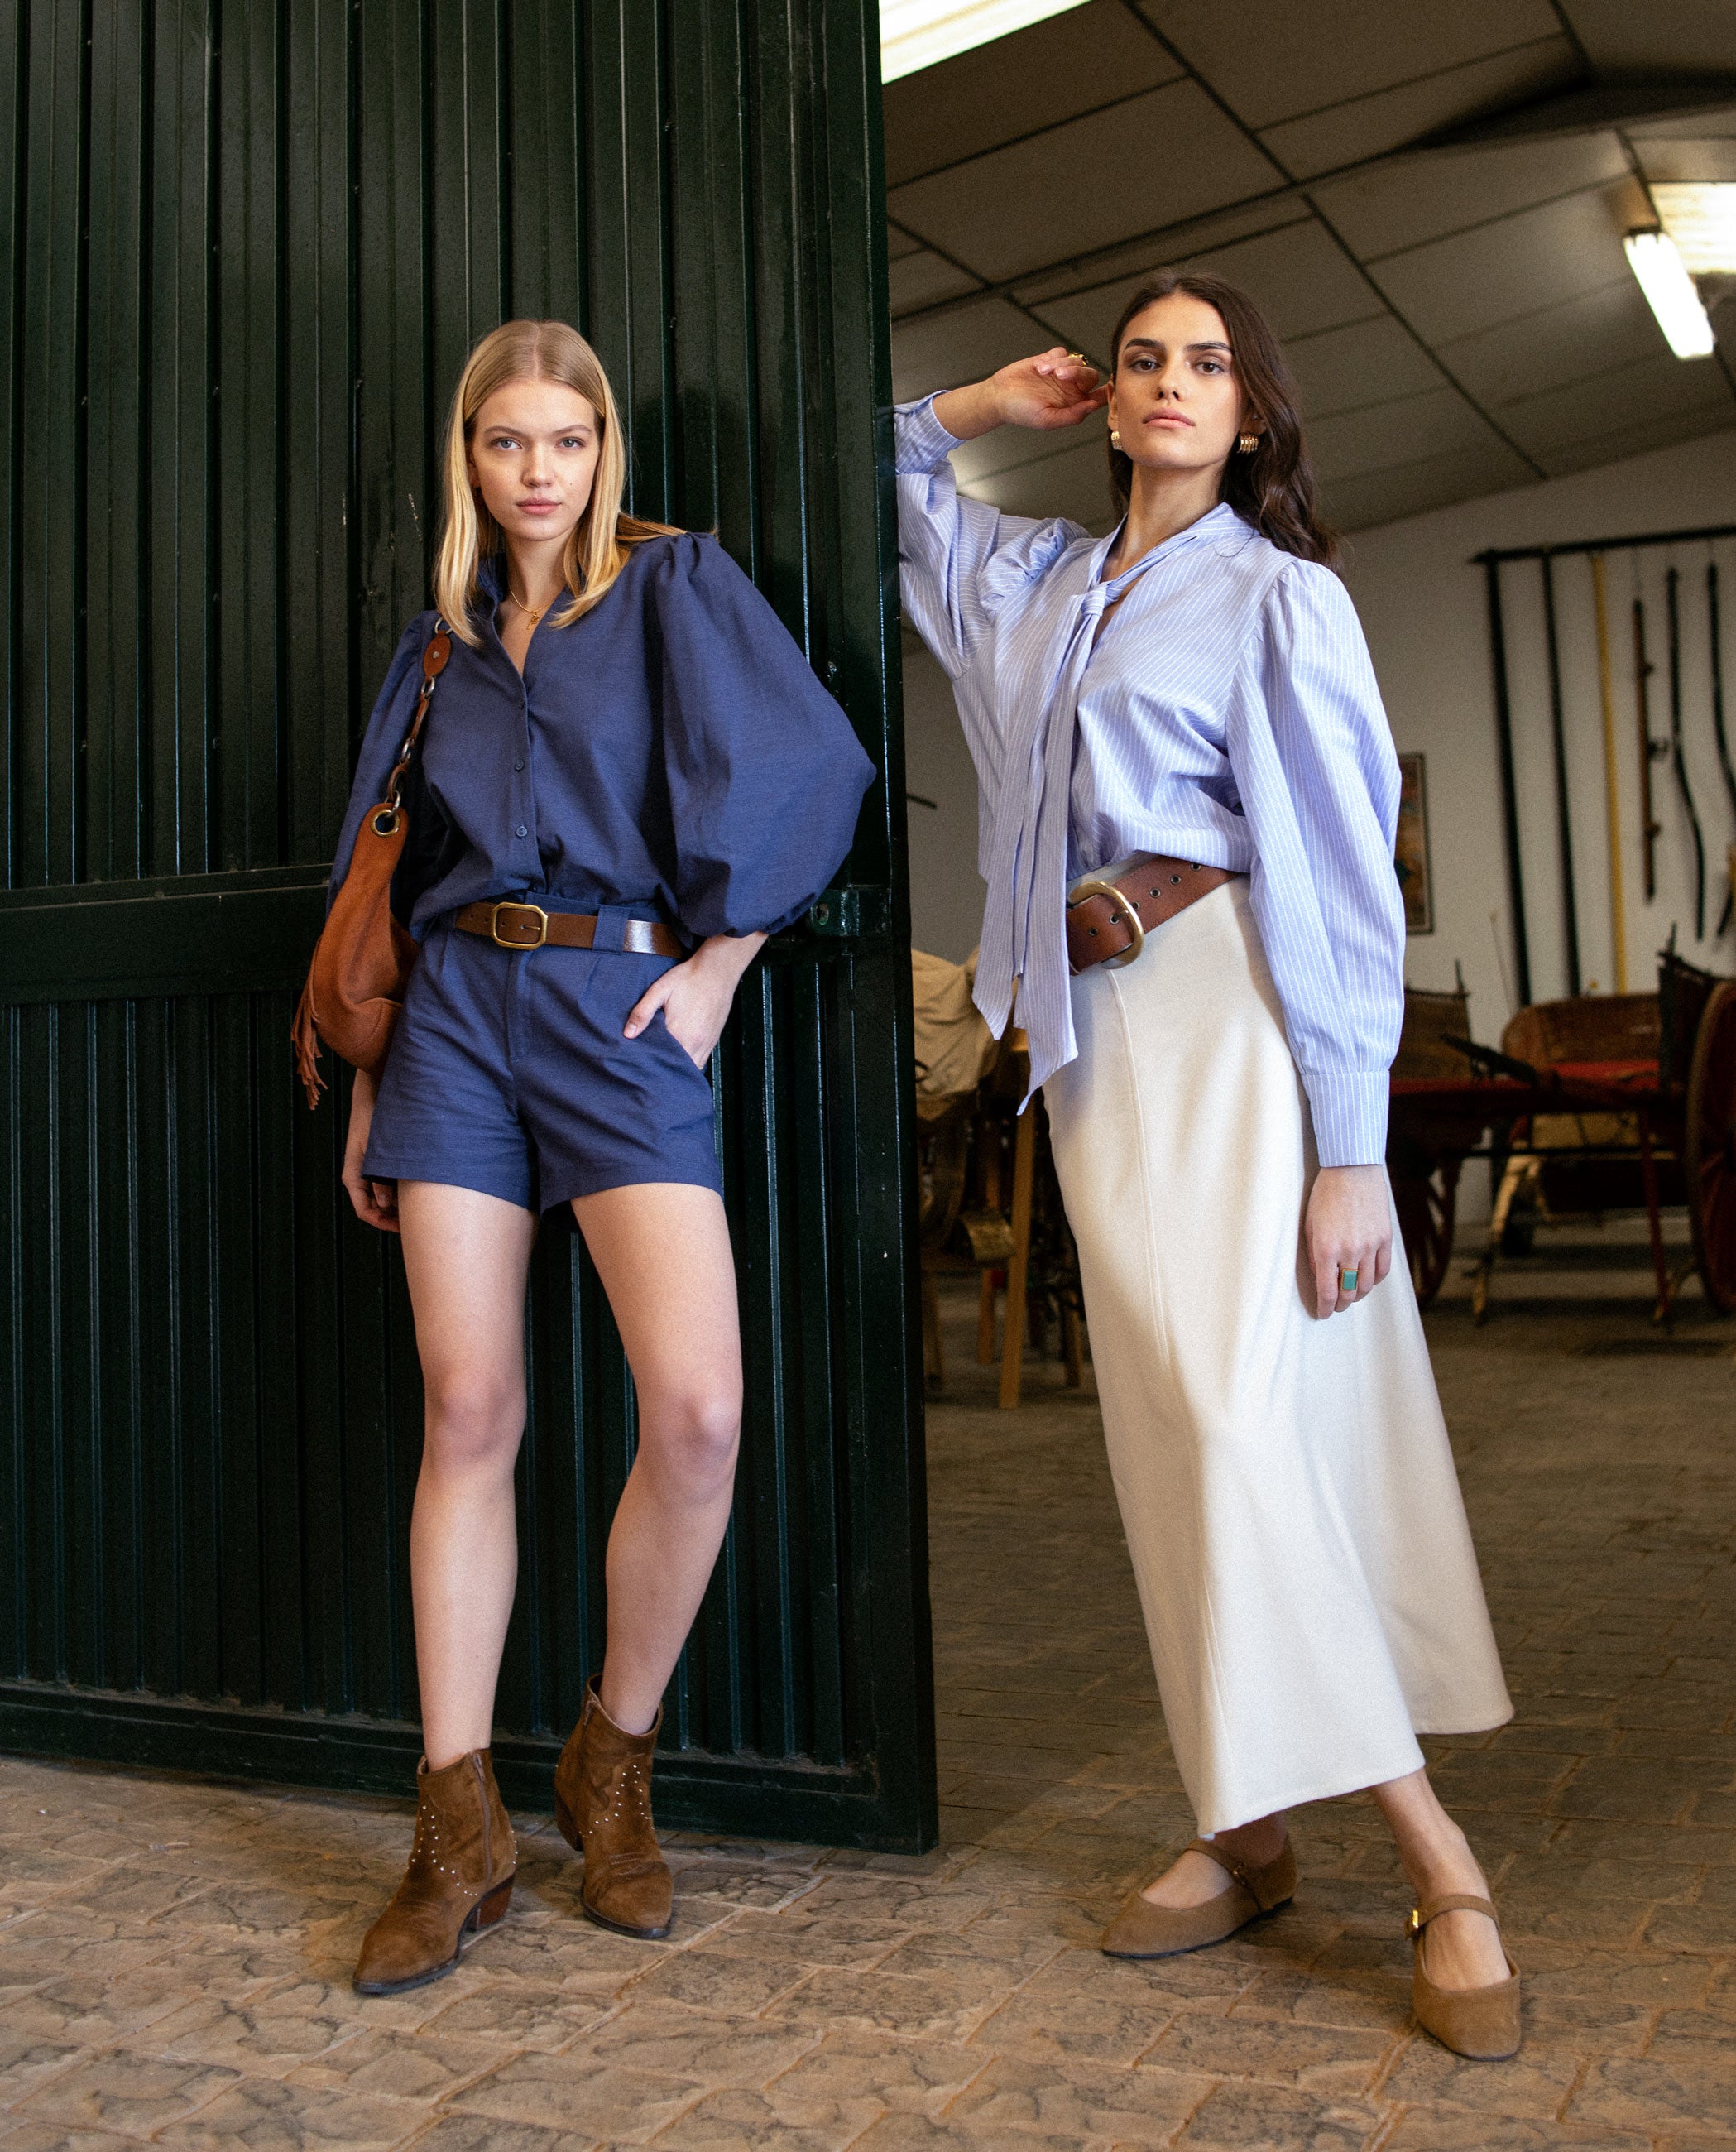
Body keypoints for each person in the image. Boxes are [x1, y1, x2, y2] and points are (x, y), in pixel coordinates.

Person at [895, 271, 1520, 2061]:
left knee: (1243, 1421)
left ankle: (1438, 1861)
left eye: (1209, 365)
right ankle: (1243, 1825)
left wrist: (1349, 1147)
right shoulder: (1021, 584)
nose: (1171, 384)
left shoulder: (1278, 596)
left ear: (1251, 416)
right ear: (1105, 400)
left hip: (1228, 1019)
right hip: (1090, 1051)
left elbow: (1335, 876)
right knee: (1170, 1436)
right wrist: (976, 408)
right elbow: (862, 473)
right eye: (1143, 361)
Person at [331, 319, 873, 1996]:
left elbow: (813, 770)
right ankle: (455, 1831)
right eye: (506, 440)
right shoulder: (436, 646)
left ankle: (608, 1760)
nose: (539, 470)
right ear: (469, 458)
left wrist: (720, 967)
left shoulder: (669, 584)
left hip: (619, 1005)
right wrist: (367, 1087)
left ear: (602, 449)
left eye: (566, 440)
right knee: (467, 1410)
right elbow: (382, 872)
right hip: (451, 1025)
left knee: (698, 1412)